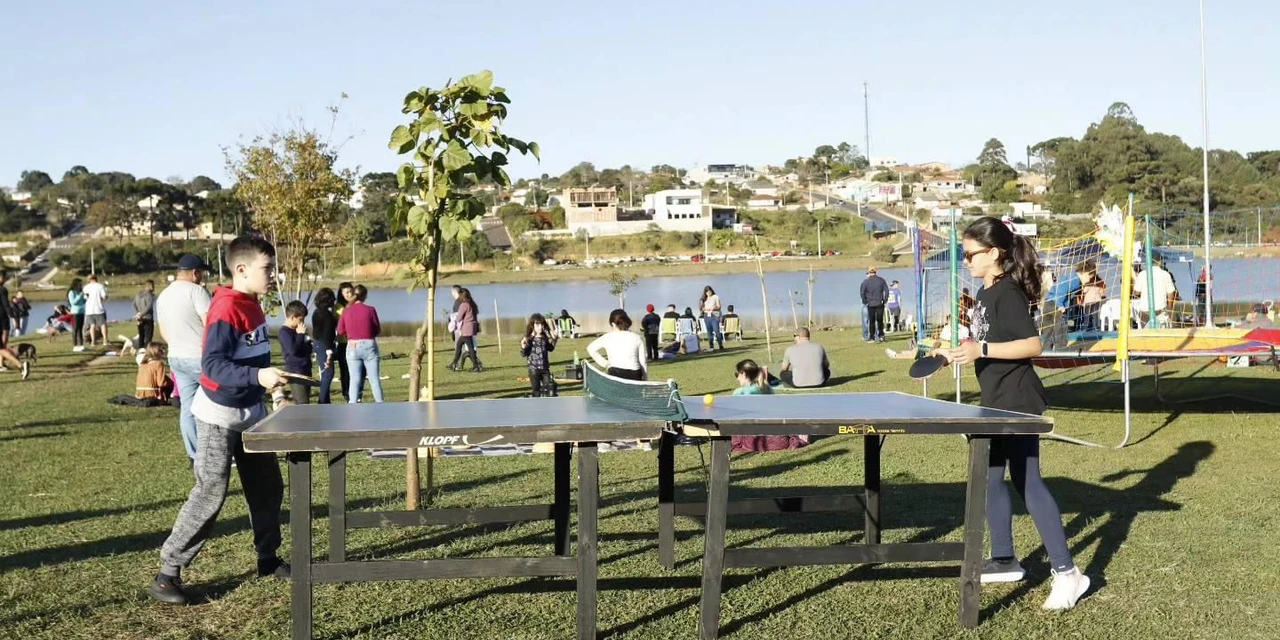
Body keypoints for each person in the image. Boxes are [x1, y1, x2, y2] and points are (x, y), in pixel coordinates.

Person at [933, 216, 1090, 610]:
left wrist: (981, 351)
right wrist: (963, 350)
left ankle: (1069, 574)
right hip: (993, 399)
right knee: (989, 478)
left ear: (994, 253)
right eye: (962, 254)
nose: (965, 260)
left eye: (969, 254)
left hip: (1017, 401)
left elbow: (1033, 345)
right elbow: (990, 340)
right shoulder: (985, 294)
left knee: (1028, 482)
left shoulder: (1008, 293)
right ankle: (1004, 558)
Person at [149, 235, 290, 606]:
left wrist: (271, 389)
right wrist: (259, 378)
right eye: (267, 268)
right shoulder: (225, 308)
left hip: (251, 414)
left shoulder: (254, 305)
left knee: (268, 488)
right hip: (218, 417)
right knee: (210, 492)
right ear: (241, 269)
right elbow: (212, 365)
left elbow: (255, 360)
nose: (273, 274)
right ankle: (167, 573)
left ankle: (268, 558)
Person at [155, 255, 212, 462]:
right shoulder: (197, 292)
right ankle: (215, 452)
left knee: (188, 407)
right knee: (217, 404)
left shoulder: (163, 296)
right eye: (201, 273)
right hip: (199, 357)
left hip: (176, 357)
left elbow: (163, 331)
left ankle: (194, 454)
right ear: (195, 273)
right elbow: (210, 325)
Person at [730, 359, 809, 452]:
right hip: (778, 438)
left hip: (753, 440)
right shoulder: (767, 388)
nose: (737, 378)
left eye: (737, 375)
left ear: (743, 374)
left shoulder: (739, 393)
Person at [337, 284, 384, 403]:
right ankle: (380, 404)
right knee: (374, 379)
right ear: (365, 296)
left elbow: (340, 330)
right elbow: (377, 329)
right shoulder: (371, 310)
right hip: (369, 344)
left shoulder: (346, 311)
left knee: (354, 379)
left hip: (352, 346)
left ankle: (352, 404)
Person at [586, 309, 647, 380]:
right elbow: (643, 362)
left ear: (613, 324)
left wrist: (605, 363)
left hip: (615, 373)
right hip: (634, 374)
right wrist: (645, 379)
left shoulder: (607, 337)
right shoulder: (637, 338)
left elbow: (590, 348)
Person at [280, 300, 313, 404]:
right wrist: (300, 335)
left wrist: (307, 341)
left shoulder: (298, 331)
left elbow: (306, 349)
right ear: (292, 317)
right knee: (302, 403)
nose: (302, 322)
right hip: (296, 372)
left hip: (305, 369)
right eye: (301, 319)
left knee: (306, 400)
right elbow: (293, 350)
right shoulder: (284, 332)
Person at [310, 288, 339, 404]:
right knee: (328, 372)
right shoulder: (326, 315)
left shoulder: (316, 312)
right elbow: (327, 333)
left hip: (317, 343)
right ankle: (322, 400)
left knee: (325, 372)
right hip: (324, 344)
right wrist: (329, 351)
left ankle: (326, 400)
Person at [520, 313, 558, 397]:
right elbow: (523, 353)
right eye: (537, 324)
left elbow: (551, 348)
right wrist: (523, 345)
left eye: (542, 324)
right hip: (534, 370)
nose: (540, 326)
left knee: (550, 389)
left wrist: (555, 339)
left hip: (545, 369)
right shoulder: (529, 339)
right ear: (532, 326)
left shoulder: (545, 338)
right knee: (536, 391)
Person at [449, 287, 482, 372]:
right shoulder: (471, 304)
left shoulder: (463, 305)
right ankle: (454, 363)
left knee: (469, 347)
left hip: (466, 329)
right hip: (471, 328)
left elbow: (459, 318)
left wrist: (453, 319)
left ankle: (476, 366)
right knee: (460, 345)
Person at [334, 281, 355, 401]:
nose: (349, 294)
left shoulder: (354, 305)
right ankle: (346, 393)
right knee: (345, 370)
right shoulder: (339, 307)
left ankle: (356, 393)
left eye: (351, 291)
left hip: (355, 342)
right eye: (346, 292)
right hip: (344, 342)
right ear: (341, 294)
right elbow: (347, 318)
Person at [860, 267, 889, 343]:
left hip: (870, 303)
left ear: (869, 272)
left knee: (872, 321)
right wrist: (885, 300)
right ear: (876, 272)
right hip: (880, 303)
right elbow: (886, 290)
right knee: (880, 320)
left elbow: (862, 292)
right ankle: (881, 335)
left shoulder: (866, 282)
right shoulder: (881, 280)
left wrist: (865, 301)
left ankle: (872, 337)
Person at [1077, 261, 1105, 333]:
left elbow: (1084, 291)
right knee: (1095, 314)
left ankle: (1086, 327)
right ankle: (1096, 327)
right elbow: (1102, 291)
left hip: (1088, 300)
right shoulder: (1099, 281)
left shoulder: (1087, 282)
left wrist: (1080, 298)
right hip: (1097, 299)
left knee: (1087, 314)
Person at [82, 274, 109, 347]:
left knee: (92, 325)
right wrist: (104, 298)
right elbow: (104, 297)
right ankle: (105, 340)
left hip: (89, 310)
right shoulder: (100, 286)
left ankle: (93, 341)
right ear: (96, 279)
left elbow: (85, 298)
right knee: (103, 325)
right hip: (99, 309)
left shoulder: (86, 287)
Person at [133, 280, 157, 347]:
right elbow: (148, 307)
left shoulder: (138, 294)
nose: (154, 288)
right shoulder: (150, 295)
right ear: (150, 286)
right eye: (153, 286)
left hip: (139, 318)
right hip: (148, 318)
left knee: (141, 335)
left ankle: (140, 350)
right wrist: (142, 314)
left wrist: (138, 313)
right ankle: (146, 351)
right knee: (148, 337)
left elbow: (134, 304)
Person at [699, 285, 723, 350]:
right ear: (705, 293)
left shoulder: (715, 297)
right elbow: (701, 308)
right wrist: (705, 309)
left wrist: (714, 308)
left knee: (716, 330)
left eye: (710, 291)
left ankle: (720, 345)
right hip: (707, 316)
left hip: (714, 315)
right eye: (707, 292)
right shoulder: (704, 299)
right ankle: (711, 346)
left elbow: (719, 306)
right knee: (709, 331)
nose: (709, 293)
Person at [67, 278, 87, 351]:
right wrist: (80, 296)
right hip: (75, 313)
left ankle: (81, 345)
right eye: (80, 284)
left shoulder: (80, 292)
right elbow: (73, 302)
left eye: (81, 284)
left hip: (81, 312)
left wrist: (86, 298)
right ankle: (75, 345)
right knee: (75, 329)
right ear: (76, 284)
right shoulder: (72, 292)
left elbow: (82, 302)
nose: (81, 285)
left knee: (80, 329)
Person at [0, 272, 11, 348]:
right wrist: (11, 314)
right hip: (2, 314)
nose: (4, 280)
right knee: (5, 331)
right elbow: (5, 304)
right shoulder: (3, 289)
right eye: (3, 278)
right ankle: (3, 349)